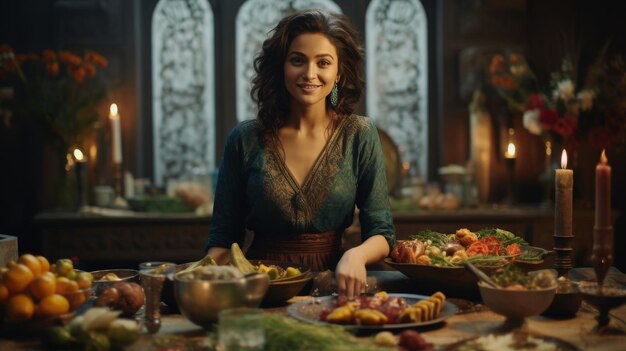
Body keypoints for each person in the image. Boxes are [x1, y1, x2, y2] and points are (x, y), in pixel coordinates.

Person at [205, 9, 395, 298]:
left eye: (323, 63)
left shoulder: (360, 134)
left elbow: (382, 231)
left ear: (339, 72)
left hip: (335, 288)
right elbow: (222, 239)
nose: (310, 74)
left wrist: (356, 256)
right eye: (297, 60)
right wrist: (205, 277)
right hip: (261, 289)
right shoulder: (244, 139)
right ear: (281, 67)